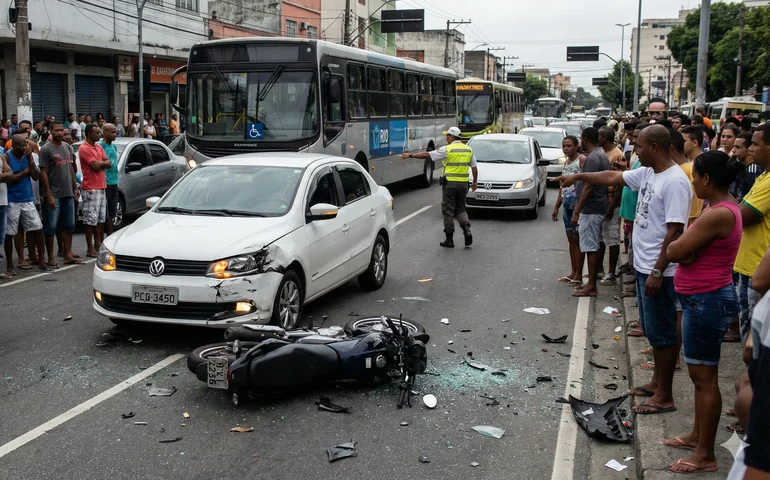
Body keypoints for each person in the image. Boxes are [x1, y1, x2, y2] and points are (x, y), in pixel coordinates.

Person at [557, 125, 692, 414]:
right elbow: (613, 177)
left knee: (664, 334)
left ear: (655, 147)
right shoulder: (647, 173)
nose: (636, 151)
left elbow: (675, 231)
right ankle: (656, 382)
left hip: (660, 272)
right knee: (653, 332)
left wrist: (657, 271)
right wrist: (578, 175)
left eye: (640, 147)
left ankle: (665, 395)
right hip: (644, 268)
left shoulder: (675, 181)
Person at [664, 150, 743, 474]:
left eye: (695, 176)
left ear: (707, 179)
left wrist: (685, 250)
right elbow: (684, 251)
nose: (692, 180)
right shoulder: (721, 208)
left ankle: (705, 454)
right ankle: (698, 435)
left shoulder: (717, 214)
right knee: (700, 376)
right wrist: (687, 251)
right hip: (703, 297)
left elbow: (674, 249)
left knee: (704, 378)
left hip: (707, 300)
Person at [400, 127, 477, 248]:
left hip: (450, 185)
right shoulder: (468, 150)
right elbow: (474, 168)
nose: (446, 138)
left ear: (452, 137)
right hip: (463, 185)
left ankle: (449, 239)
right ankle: (467, 230)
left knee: (448, 211)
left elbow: (427, 155)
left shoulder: (447, 149)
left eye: (447, 136)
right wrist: (474, 183)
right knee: (461, 209)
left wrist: (410, 155)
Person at [733, 123, 770, 342]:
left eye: (756, 144)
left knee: (756, 339)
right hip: (749, 265)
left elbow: (739, 217)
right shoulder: (763, 177)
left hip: (759, 270)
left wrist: (742, 212)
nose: (750, 149)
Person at [571, 127, 610, 298]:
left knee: (590, 246)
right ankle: (590, 283)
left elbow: (588, 186)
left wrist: (577, 211)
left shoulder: (593, 158)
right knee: (592, 245)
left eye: (581, 139)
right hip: (597, 206)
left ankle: (591, 285)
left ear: (585, 139)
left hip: (592, 208)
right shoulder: (600, 155)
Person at [3, 135, 48, 275]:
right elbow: (11, 179)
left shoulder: (29, 157)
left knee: (38, 228)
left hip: (27, 199)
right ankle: (10, 264)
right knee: (10, 233)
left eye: (25, 145)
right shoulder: (6, 157)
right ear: (13, 146)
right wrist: (25, 172)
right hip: (12, 200)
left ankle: (41, 260)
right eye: (21, 146)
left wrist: (29, 161)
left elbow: (35, 176)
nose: (24, 148)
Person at [39, 121, 81, 267]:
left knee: (69, 225)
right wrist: (48, 194)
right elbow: (43, 174)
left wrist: (75, 188)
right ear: (50, 131)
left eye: (61, 130)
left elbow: (70, 169)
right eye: (56, 130)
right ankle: (50, 257)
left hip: (68, 193)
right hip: (54, 194)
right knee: (51, 227)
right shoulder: (46, 149)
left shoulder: (68, 147)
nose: (59, 133)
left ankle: (67, 254)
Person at [552, 136, 584, 286]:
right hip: (566, 205)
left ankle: (579, 273)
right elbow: (562, 186)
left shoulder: (582, 160)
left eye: (569, 146)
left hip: (577, 206)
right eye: (564, 146)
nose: (566, 149)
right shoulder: (566, 162)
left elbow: (587, 183)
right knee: (571, 240)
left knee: (577, 240)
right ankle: (573, 271)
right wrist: (556, 206)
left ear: (577, 146)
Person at [78, 124, 111, 257]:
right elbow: (95, 166)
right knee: (89, 220)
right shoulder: (84, 148)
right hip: (91, 188)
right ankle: (90, 247)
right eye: (97, 133)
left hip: (101, 186)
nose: (100, 135)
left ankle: (98, 245)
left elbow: (108, 163)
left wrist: (102, 163)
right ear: (89, 134)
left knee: (99, 219)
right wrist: (103, 163)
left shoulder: (98, 147)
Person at [599, 126, 625, 286]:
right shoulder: (604, 153)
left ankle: (611, 272)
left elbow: (620, 183)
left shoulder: (616, 155)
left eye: (599, 136)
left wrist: (612, 205)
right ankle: (600, 269)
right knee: (602, 236)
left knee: (612, 237)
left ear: (604, 138)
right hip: (604, 201)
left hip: (612, 203)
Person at [678, 127, 706, 224]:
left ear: (694, 143)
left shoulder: (700, 165)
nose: (680, 145)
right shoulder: (690, 163)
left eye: (684, 141)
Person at [99, 124, 119, 237]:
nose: (114, 135)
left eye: (115, 132)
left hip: (114, 182)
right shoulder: (100, 146)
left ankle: (109, 237)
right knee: (103, 214)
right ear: (105, 133)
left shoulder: (114, 147)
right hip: (104, 183)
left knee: (112, 213)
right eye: (112, 132)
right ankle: (101, 239)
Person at [733, 133, 764, 203]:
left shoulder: (753, 170)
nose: (733, 150)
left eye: (738, 147)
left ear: (749, 149)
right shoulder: (742, 167)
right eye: (734, 147)